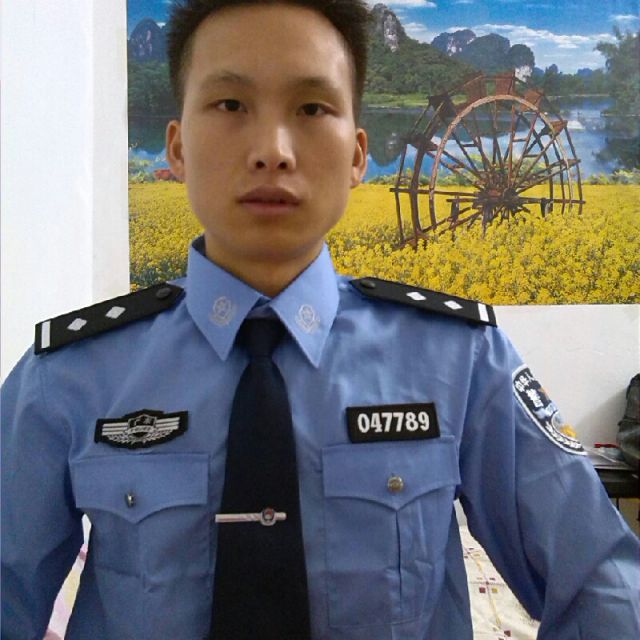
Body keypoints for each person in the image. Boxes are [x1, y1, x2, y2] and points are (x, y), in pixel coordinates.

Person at [1, 0, 638, 638]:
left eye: (311, 109)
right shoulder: (68, 377)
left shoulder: (461, 361)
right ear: (177, 148)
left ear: (358, 155)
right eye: (230, 104)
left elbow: (601, 579)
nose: (272, 151)